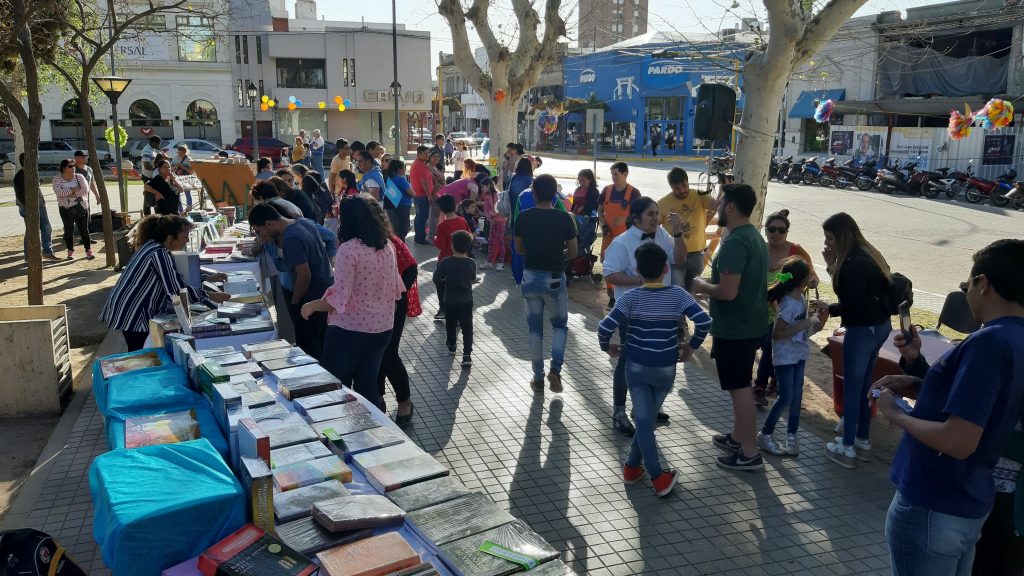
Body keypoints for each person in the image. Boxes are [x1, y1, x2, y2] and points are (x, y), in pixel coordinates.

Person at [874, 239, 1024, 575]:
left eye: (967, 284)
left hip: (935, 499)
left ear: (982, 283)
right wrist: (920, 383)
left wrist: (897, 413)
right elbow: (990, 405)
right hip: (967, 500)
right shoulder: (1014, 339)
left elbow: (959, 440)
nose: (968, 291)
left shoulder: (989, 341)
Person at [599, 243, 712, 497]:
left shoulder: (629, 298)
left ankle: (632, 468)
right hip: (664, 367)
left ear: (638, 271)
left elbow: (605, 327)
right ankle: (656, 476)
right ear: (665, 268)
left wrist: (607, 347)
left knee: (644, 418)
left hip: (635, 367)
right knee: (645, 419)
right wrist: (691, 346)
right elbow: (704, 321)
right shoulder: (678, 296)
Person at [691, 183, 769, 472]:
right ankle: (739, 438)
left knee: (740, 390)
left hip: (737, 328)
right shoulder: (752, 235)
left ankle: (749, 453)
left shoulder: (736, 242)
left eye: (721, 201)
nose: (717, 206)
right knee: (741, 387)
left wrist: (700, 285)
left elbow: (727, 291)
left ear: (732, 206)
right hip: (748, 324)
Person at [301, 195, 404, 408]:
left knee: (338, 386)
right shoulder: (387, 246)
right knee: (368, 384)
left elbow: (339, 298)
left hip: (349, 331)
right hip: (382, 328)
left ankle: (343, 432)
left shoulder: (349, 249)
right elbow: (396, 290)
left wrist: (311, 305)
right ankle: (374, 428)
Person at [603, 196, 690, 434]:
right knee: (628, 361)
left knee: (658, 359)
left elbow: (680, 259)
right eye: (651, 214)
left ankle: (647, 407)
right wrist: (641, 280)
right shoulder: (623, 243)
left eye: (657, 213)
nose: (656, 218)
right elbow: (610, 275)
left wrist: (678, 233)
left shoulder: (662, 235)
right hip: (633, 314)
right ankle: (619, 412)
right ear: (636, 218)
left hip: (664, 313)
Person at [820, 212, 893, 469]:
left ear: (841, 235)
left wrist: (831, 308)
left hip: (861, 331)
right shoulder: (868, 253)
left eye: (830, 237)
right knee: (864, 386)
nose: (827, 243)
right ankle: (862, 440)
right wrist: (832, 264)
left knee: (853, 389)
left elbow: (851, 305)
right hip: (881, 327)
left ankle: (847, 446)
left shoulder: (852, 264)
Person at [100, 214, 231, 350]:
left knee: (140, 352)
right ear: (170, 238)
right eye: (184, 238)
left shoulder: (153, 247)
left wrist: (207, 278)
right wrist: (210, 297)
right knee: (141, 354)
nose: (186, 242)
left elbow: (175, 276)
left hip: (129, 309)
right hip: (134, 313)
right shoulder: (159, 253)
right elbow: (177, 290)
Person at [756, 257, 827, 457]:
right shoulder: (788, 304)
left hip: (799, 353)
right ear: (802, 279)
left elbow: (803, 331)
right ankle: (765, 433)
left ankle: (792, 436)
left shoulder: (801, 299)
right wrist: (801, 325)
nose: (813, 277)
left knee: (796, 396)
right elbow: (777, 334)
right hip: (785, 357)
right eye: (810, 274)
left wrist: (815, 322)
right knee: (787, 396)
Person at [514, 174, 578, 393]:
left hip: (530, 276)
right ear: (555, 194)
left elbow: (519, 249)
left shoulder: (523, 217)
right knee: (559, 326)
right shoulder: (564, 218)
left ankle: (538, 377)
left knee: (535, 330)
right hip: (554, 278)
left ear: (534, 193)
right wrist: (557, 255)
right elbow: (574, 252)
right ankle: (556, 370)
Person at [752, 209, 819, 406]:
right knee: (764, 346)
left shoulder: (796, 251)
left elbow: (810, 274)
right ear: (766, 231)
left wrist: (812, 281)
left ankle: (760, 387)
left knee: (768, 346)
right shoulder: (760, 249)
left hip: (783, 310)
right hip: (759, 307)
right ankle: (773, 379)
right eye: (772, 229)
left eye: (781, 230)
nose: (776, 234)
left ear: (787, 232)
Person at [250, 203, 333, 360]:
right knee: (320, 345)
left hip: (309, 297)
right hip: (321, 292)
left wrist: (295, 301)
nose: (261, 237)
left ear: (269, 223)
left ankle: (316, 381)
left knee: (309, 349)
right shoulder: (304, 222)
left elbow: (304, 275)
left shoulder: (291, 238)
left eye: (260, 232)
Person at [369, 200, 420, 427]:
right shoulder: (359, 242)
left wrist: (395, 294)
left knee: (389, 354)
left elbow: (411, 268)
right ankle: (378, 397)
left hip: (392, 306)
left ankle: (404, 402)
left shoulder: (391, 242)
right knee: (374, 355)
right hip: (370, 309)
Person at [657, 168, 716, 293]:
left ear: (688, 182)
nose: (682, 190)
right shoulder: (662, 203)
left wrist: (723, 190)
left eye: (684, 185)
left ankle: (687, 312)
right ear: (671, 187)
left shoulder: (699, 195)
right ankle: (677, 313)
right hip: (675, 254)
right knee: (677, 291)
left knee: (691, 291)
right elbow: (653, 226)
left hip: (697, 253)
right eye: (677, 188)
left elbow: (715, 205)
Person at [599, 162, 642, 309]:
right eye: (612, 174)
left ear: (625, 174)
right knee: (607, 265)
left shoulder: (634, 193)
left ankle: (627, 298)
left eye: (616, 174)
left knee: (626, 267)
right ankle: (612, 298)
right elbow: (599, 210)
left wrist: (624, 219)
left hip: (626, 238)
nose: (613, 177)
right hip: (609, 236)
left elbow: (639, 214)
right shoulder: (607, 190)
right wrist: (603, 224)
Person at [433, 230, 477, 368]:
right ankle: (467, 355)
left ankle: (452, 345)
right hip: (467, 301)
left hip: (450, 300)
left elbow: (436, 278)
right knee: (467, 328)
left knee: (451, 325)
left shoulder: (446, 262)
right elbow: (473, 278)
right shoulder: (471, 262)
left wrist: (445, 281)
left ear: (452, 246)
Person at [433, 195, 472, 321]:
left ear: (442, 209)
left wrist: (434, 239)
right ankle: (459, 313)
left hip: (445, 259)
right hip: (462, 258)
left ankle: (443, 309)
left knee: (441, 284)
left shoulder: (442, 225)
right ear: (455, 206)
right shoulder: (462, 221)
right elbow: (469, 236)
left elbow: (440, 244)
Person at [14, 153, 58, 261]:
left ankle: (47, 251)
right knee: (31, 231)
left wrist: (42, 202)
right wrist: (31, 208)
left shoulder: (33, 173)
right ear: (25, 161)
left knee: (46, 228)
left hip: (40, 206)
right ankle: (29, 256)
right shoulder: (19, 176)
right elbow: (20, 195)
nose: (36, 162)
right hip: (28, 208)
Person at [53, 158, 94, 260]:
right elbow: (59, 193)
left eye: (74, 166)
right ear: (63, 168)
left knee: (84, 229)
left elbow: (85, 190)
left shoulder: (79, 177)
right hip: (65, 208)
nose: (73, 168)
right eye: (70, 166)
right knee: (68, 230)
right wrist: (73, 190)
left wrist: (69, 194)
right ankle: (70, 252)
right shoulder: (57, 179)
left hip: (81, 207)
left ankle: (88, 251)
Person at [383, 158, 414, 241]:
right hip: (403, 206)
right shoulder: (400, 180)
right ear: (399, 169)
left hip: (393, 205)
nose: (405, 169)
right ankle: (401, 247)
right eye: (404, 167)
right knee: (403, 229)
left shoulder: (390, 179)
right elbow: (412, 193)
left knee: (396, 227)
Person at [409, 145, 435, 245]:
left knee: (419, 216)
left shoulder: (419, 163)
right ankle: (420, 238)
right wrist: (429, 195)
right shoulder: (420, 165)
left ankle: (418, 237)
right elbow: (423, 181)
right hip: (422, 195)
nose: (427, 155)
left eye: (428, 153)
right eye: (424, 153)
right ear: (418, 154)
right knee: (422, 218)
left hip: (418, 195)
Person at [480, 177, 507, 271]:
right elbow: (486, 210)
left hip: (501, 221)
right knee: (491, 241)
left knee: (500, 241)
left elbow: (500, 209)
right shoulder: (487, 196)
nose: (482, 189)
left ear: (488, 185)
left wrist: (491, 215)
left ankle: (501, 262)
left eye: (483, 187)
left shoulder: (499, 195)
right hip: (493, 221)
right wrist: (490, 218)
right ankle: (489, 261)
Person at [140, 135, 162, 215]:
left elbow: (154, 161)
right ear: (153, 142)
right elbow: (147, 166)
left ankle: (157, 213)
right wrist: (157, 167)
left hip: (153, 176)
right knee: (148, 194)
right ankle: (147, 214)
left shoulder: (153, 149)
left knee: (156, 194)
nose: (158, 145)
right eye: (158, 144)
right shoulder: (147, 151)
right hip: (147, 176)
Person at [427, 150, 446, 241]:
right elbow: (433, 181)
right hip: (435, 193)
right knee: (434, 216)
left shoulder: (436, 167)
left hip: (441, 193)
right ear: (430, 157)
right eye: (434, 156)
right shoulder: (429, 167)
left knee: (438, 215)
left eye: (438, 157)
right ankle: (432, 236)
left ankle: (436, 235)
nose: (436, 158)